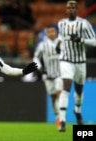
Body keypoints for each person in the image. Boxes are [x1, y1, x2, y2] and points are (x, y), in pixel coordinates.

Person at [57, 0, 96, 132]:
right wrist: (58, 44)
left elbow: (95, 41)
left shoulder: (84, 24)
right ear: (66, 10)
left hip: (80, 62)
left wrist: (82, 40)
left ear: (77, 10)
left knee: (79, 90)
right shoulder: (61, 23)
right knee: (66, 86)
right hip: (66, 59)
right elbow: (61, 38)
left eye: (74, 7)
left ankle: (77, 111)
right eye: (69, 7)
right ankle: (62, 121)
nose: (71, 9)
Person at [33, 24, 62, 129]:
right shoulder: (43, 45)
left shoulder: (61, 42)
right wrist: (39, 67)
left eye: (53, 31)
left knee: (59, 94)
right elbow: (36, 57)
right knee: (53, 97)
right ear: (46, 33)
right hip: (48, 74)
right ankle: (57, 116)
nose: (51, 34)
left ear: (56, 32)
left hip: (60, 74)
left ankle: (61, 119)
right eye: (49, 32)